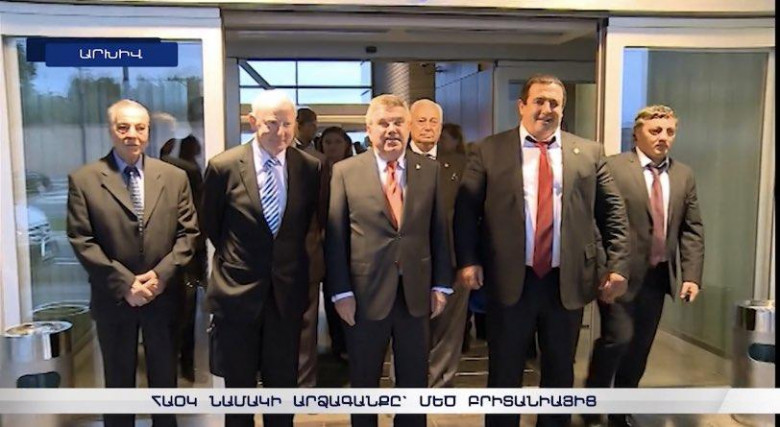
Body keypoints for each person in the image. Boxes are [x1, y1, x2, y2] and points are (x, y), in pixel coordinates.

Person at [454, 74, 630, 427]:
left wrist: (617, 265)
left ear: (563, 110)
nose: (546, 109)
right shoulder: (488, 150)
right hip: (510, 280)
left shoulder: (589, 152)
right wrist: (469, 260)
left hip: (566, 281)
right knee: (505, 371)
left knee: (560, 372)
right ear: (521, 106)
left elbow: (613, 212)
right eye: (539, 101)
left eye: (554, 103)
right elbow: (466, 211)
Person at [67, 99, 199, 427]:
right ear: (110, 130)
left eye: (140, 127)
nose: (132, 134)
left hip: (163, 296)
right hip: (114, 299)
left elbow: (189, 234)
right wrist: (126, 284)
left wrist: (160, 276)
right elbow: (82, 240)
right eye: (123, 127)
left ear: (148, 132)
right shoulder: (84, 180)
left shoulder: (174, 177)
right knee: (118, 383)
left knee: (165, 384)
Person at [326, 94, 451, 427]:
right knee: (364, 380)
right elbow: (335, 238)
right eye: (383, 123)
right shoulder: (345, 172)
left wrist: (441, 284)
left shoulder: (430, 170)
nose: (391, 130)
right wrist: (340, 292)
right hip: (363, 296)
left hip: (415, 294)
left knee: (414, 380)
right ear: (369, 129)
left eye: (398, 122)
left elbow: (439, 230)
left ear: (408, 127)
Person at [201, 90, 320, 427]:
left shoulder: (310, 167)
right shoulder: (223, 167)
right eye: (272, 124)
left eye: (288, 124)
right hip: (237, 294)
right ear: (252, 122)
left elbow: (311, 224)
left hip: (287, 296)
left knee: (282, 391)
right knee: (238, 394)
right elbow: (211, 225)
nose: (281, 132)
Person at [583, 105, 704, 427]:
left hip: (657, 276)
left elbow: (691, 228)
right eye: (655, 131)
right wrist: (606, 268)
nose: (663, 137)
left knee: (640, 348)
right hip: (618, 273)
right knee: (618, 339)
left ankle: (620, 411)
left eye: (669, 131)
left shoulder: (683, 175)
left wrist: (691, 275)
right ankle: (593, 402)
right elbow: (595, 221)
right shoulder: (613, 167)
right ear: (637, 133)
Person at [407, 100, 468, 388]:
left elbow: (471, 214)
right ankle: (408, 386)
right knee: (408, 328)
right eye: (421, 121)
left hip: (453, 260)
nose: (428, 127)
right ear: (409, 124)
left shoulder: (460, 164)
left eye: (434, 122)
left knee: (448, 329)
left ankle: (440, 387)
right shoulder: (396, 161)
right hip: (407, 263)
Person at [293, 107, 328, 388]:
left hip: (306, 253)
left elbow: (325, 211)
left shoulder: (317, 162)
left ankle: (304, 387)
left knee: (306, 327)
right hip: (265, 260)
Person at [317, 126, 353, 362]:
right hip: (321, 242)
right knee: (331, 294)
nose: (332, 147)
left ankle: (351, 343)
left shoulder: (356, 170)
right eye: (328, 142)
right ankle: (337, 344)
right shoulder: (316, 170)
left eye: (337, 142)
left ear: (346, 145)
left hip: (351, 242)